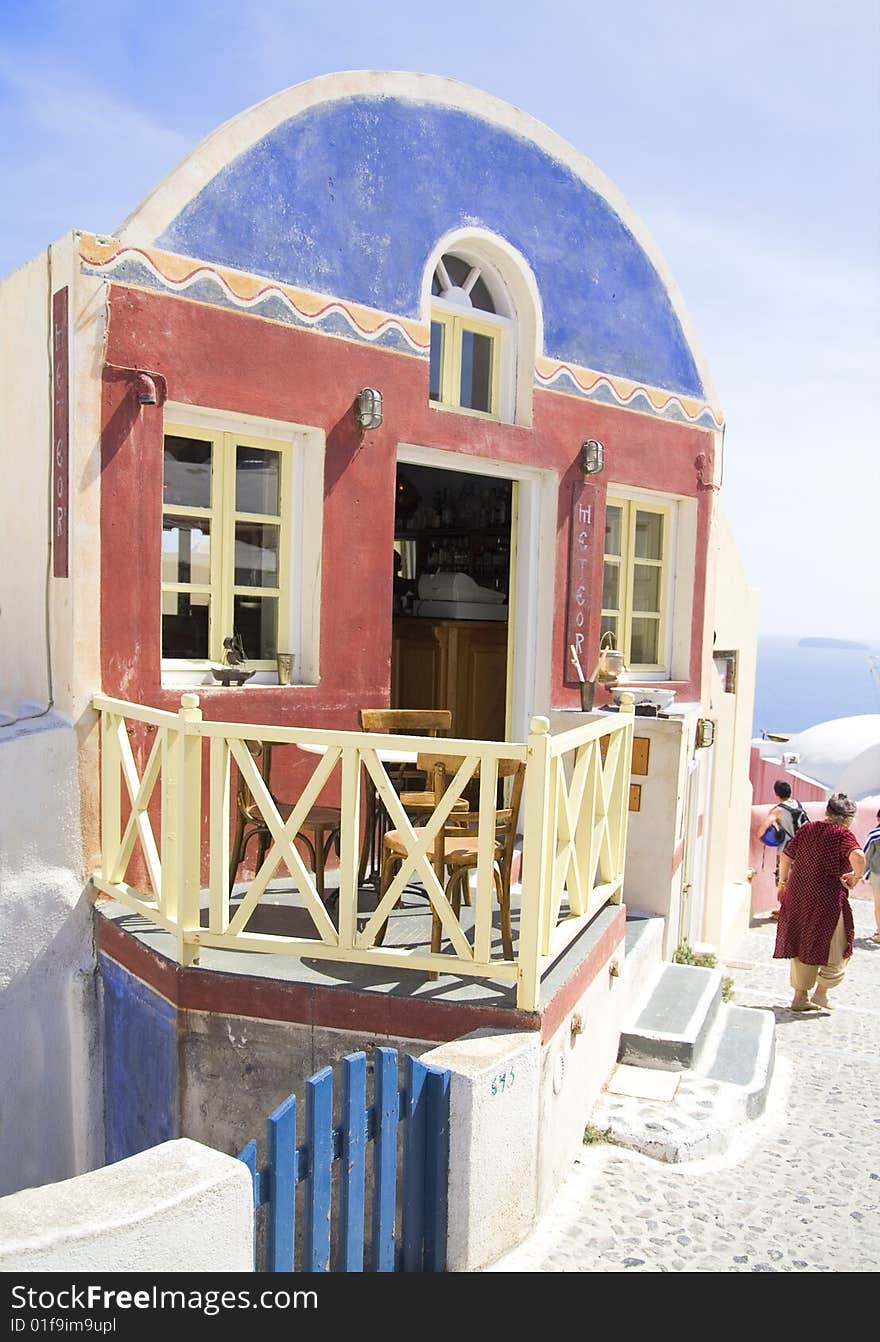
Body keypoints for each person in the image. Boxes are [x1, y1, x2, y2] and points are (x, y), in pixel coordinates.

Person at [773, 792, 866, 1011]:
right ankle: (821, 994)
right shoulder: (842, 835)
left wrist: (783, 884)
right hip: (827, 898)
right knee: (838, 945)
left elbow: (786, 855)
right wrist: (855, 877)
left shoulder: (808, 828)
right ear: (848, 818)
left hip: (798, 894)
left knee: (801, 940)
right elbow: (859, 857)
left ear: (828, 812)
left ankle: (799, 997)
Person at [760, 780, 808, 920]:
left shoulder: (778, 810)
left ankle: (786, 912)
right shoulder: (798, 805)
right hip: (802, 848)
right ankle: (794, 911)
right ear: (790, 792)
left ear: (776, 793)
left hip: (786, 850)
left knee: (783, 880)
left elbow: (764, 827)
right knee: (798, 881)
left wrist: (762, 837)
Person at [863, 808, 880, 943]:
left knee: (879, 904)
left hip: (878, 873)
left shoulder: (875, 834)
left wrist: (861, 874)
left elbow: (866, 855)